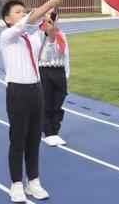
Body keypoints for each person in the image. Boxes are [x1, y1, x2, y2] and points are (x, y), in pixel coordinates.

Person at [0, 0, 64, 203]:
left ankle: (33, 181)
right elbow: (29, 21)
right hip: (18, 93)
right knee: (18, 139)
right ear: (8, 19)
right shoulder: (8, 36)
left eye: (23, 10)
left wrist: (51, 23)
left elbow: (51, 43)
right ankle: (16, 183)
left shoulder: (33, 38)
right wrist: (49, 4)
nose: (22, 14)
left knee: (34, 141)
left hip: (37, 91)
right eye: (17, 12)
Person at [38, 11, 70, 146]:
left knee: (58, 104)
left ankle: (55, 131)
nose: (52, 17)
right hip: (45, 71)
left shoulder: (61, 34)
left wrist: (66, 73)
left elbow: (66, 55)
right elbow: (43, 55)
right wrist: (49, 35)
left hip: (59, 71)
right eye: (49, 14)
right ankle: (48, 132)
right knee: (46, 103)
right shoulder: (39, 35)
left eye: (55, 15)